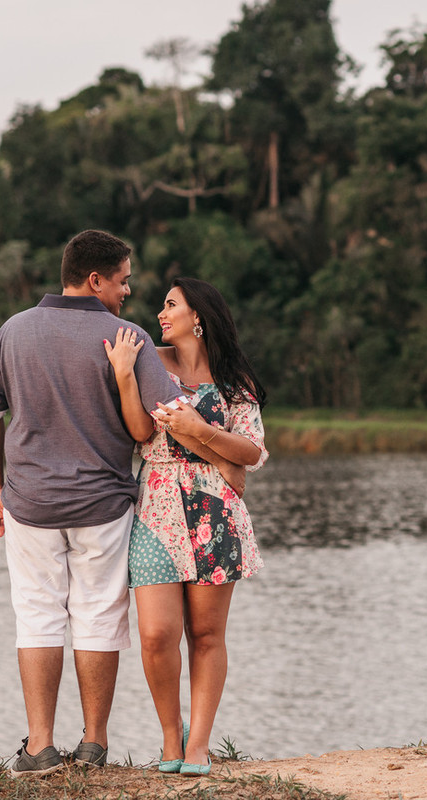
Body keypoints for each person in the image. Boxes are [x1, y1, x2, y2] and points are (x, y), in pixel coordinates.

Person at [0, 231, 245, 777]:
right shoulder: (127, 336)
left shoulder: (13, 331)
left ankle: (40, 747)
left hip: (31, 505)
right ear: (95, 279)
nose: (126, 292)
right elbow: (168, 418)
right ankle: (94, 743)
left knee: (38, 616)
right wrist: (230, 462)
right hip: (105, 504)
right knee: (98, 616)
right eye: (121, 281)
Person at [104, 276, 267, 776]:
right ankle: (169, 739)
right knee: (155, 635)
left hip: (215, 513)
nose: (160, 312)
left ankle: (197, 746)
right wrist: (127, 376)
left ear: (199, 316)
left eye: (171, 305)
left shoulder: (236, 380)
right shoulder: (151, 360)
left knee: (207, 634)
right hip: (155, 506)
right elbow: (138, 432)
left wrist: (201, 430)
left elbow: (252, 451)